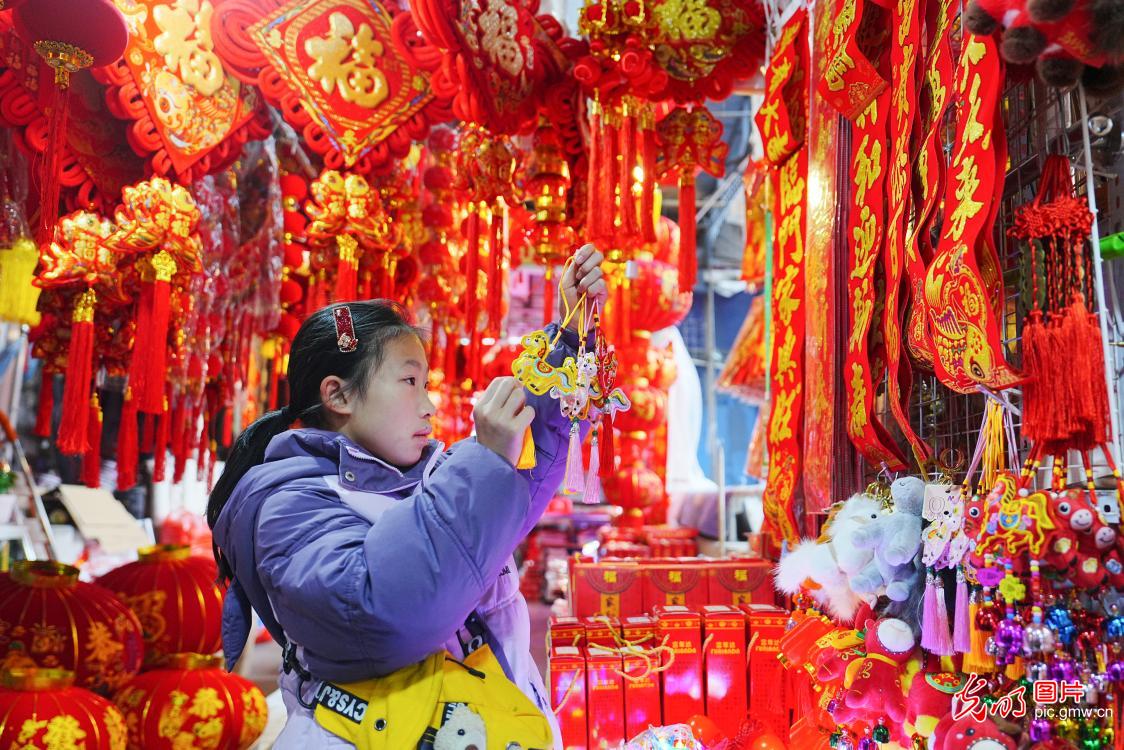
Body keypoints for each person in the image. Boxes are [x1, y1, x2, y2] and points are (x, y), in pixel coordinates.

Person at [208, 244, 608, 748]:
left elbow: (529, 471)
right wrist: (483, 460)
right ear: (339, 395)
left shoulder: (430, 476)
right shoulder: (288, 506)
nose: (429, 404)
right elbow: (382, 611)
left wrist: (569, 339)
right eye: (410, 381)